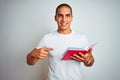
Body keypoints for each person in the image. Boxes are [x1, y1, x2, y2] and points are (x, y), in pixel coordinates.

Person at [26, 3, 94, 80]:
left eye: (67, 15)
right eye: (60, 15)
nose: (64, 19)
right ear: (55, 18)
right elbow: (30, 62)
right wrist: (32, 55)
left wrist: (87, 60)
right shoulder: (47, 38)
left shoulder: (82, 38)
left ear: (71, 18)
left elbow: (90, 63)